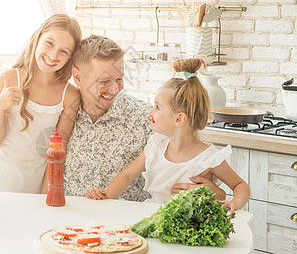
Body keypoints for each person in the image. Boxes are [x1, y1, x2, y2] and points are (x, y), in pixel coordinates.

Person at [63, 36, 225, 202]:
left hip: (129, 224)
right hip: (69, 224)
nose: (114, 89)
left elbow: (194, 164)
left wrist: (213, 192)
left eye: (119, 79)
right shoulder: (61, 116)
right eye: (104, 81)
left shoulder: (148, 120)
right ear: (78, 77)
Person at [85, 58, 250, 213]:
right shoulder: (156, 145)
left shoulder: (209, 158)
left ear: (179, 119)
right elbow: (127, 175)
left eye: (157, 106)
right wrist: (108, 193)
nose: (151, 111)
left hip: (188, 227)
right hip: (152, 218)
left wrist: (234, 203)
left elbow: (240, 185)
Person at [0, 14, 82, 194]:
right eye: (49, 43)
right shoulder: (9, 78)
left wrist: (44, 196)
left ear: (70, 57)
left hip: (30, 190)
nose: (53, 55)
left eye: (63, 51)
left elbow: (57, 153)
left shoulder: (69, 95)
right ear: (37, 38)